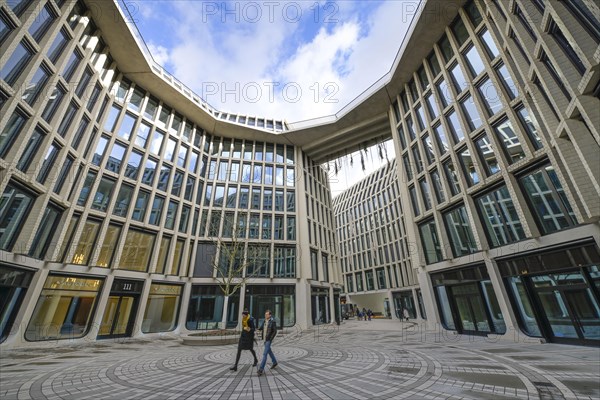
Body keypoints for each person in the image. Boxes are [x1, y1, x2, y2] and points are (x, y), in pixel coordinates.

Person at [257, 310, 278, 376]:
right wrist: (256, 329)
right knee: (269, 352)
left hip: (268, 340)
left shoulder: (273, 321)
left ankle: (261, 369)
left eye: (267, 314)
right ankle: (274, 362)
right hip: (264, 340)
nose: (265, 315)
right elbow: (261, 328)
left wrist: (270, 339)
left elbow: (275, 331)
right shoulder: (264, 321)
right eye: (265, 314)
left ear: (270, 315)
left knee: (265, 354)